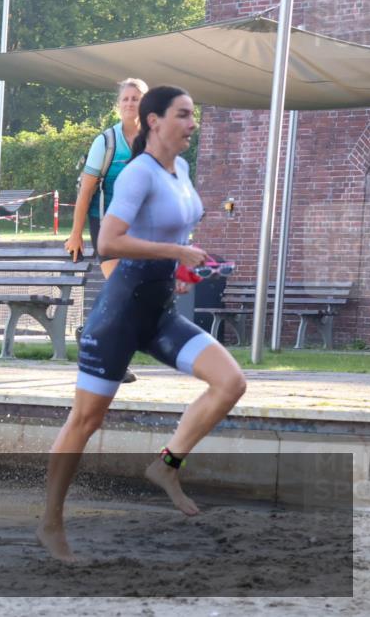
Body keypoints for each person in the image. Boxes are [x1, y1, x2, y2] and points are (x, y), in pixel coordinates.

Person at [38, 86, 247, 562]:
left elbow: (171, 230)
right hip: (119, 316)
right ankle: (51, 521)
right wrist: (175, 253)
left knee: (230, 382)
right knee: (85, 421)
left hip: (158, 312)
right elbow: (109, 242)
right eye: (184, 114)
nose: (193, 123)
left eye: (194, 114)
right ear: (154, 121)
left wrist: (180, 269)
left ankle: (167, 465)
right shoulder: (138, 174)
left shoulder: (182, 170)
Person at [66, 78, 148, 384]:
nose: (130, 103)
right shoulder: (106, 142)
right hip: (107, 226)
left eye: (136, 98)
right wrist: (75, 234)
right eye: (125, 99)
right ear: (118, 104)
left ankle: (89, 333)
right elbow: (86, 192)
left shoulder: (154, 139)